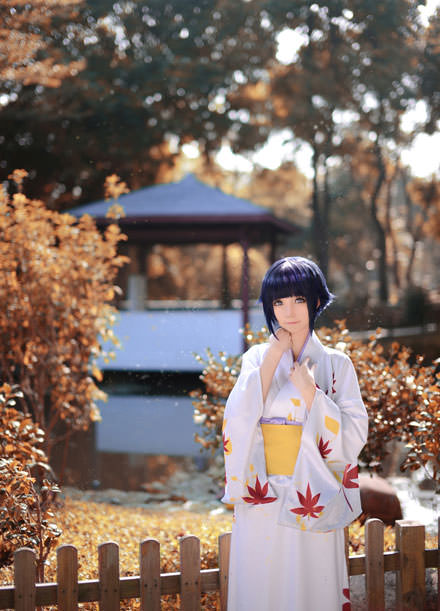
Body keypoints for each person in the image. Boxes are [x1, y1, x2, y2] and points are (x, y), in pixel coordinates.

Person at [222, 256, 368, 610]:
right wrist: (274, 356)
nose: (289, 311)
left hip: (312, 494)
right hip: (263, 492)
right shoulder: (257, 358)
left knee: (312, 586)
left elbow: (353, 433)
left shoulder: (336, 363)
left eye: (299, 299)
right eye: (279, 302)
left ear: (316, 301)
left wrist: (310, 392)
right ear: (270, 307)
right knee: (262, 585)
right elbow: (237, 419)